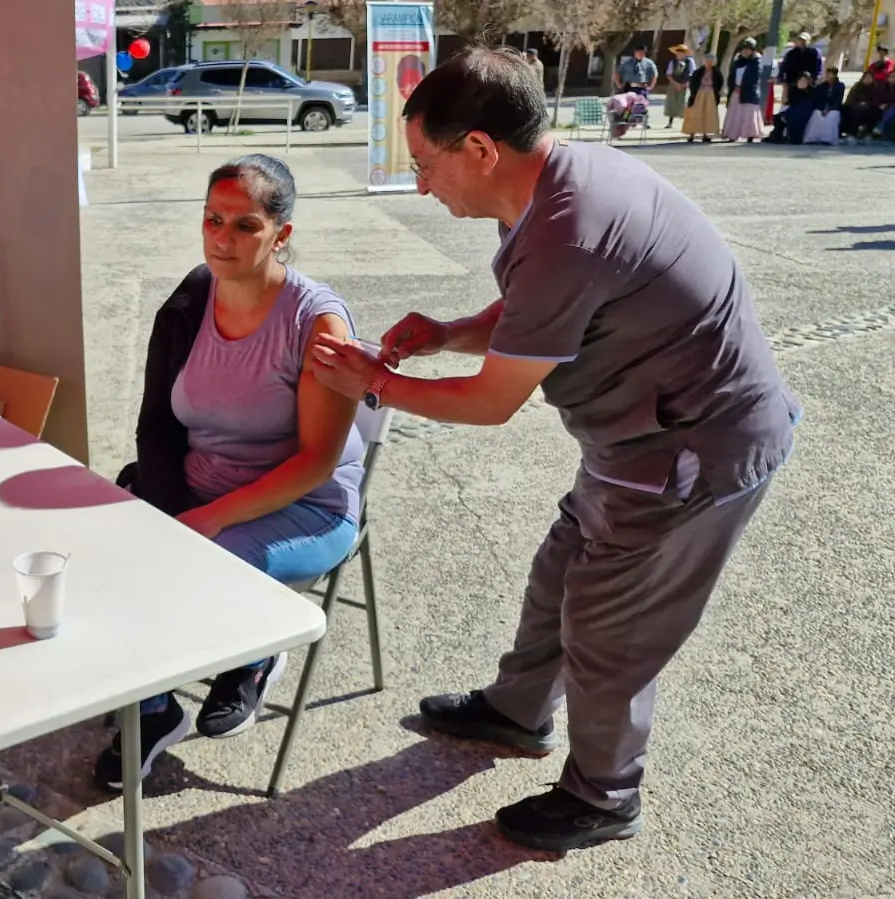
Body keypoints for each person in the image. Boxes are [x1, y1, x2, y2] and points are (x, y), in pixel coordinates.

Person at [311, 48, 798, 853]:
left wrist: (373, 383)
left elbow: (493, 401)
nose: (423, 185)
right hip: (637, 440)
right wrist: (450, 333)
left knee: (611, 629)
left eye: (428, 165)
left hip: (691, 451)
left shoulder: (572, 225)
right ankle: (517, 710)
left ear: (479, 149)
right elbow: (544, 305)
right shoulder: (558, 187)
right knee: (560, 573)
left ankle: (604, 795)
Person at [100, 154, 363, 788]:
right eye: (213, 220)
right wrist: (167, 509)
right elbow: (157, 422)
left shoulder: (315, 321)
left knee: (202, 569)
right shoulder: (191, 301)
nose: (223, 238)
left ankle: (253, 652)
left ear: (283, 233)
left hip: (306, 504)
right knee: (116, 545)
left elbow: (316, 461)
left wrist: (207, 520)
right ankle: (157, 708)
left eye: (245, 225)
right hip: (204, 491)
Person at [723, 38, 765, 142]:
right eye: (744, 49)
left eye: (749, 49)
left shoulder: (756, 62)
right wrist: (733, 87)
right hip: (736, 92)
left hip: (749, 92)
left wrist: (743, 87)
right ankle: (733, 135)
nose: (746, 52)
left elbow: (755, 77)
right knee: (734, 114)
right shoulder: (737, 62)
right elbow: (731, 77)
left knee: (749, 115)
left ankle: (750, 135)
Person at [682, 53, 723, 142]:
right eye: (707, 61)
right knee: (695, 113)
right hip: (699, 94)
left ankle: (705, 134)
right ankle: (691, 134)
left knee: (708, 114)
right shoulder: (698, 72)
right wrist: (693, 94)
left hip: (710, 95)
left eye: (711, 61)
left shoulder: (716, 72)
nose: (709, 63)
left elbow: (719, 83)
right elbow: (693, 83)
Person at [766, 74, 814, 144]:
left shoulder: (810, 92)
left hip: (801, 114)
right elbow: (789, 102)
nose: (802, 83)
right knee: (777, 117)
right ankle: (776, 138)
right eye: (800, 80)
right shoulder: (793, 89)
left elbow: (806, 106)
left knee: (790, 119)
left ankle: (792, 138)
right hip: (792, 111)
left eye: (804, 81)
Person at [801, 67, 844, 145]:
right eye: (827, 74)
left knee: (832, 116)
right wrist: (822, 108)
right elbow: (818, 99)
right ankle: (812, 138)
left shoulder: (840, 86)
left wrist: (829, 109)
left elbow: (838, 100)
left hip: (833, 108)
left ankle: (828, 139)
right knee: (816, 114)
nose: (827, 76)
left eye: (830, 75)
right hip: (821, 107)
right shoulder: (821, 86)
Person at [663, 44, 694, 127]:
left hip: (685, 84)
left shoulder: (690, 62)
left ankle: (685, 123)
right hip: (673, 84)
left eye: (681, 52)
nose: (678, 54)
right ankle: (670, 122)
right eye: (677, 52)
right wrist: (676, 84)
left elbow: (692, 74)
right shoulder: (672, 62)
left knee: (684, 103)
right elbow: (669, 74)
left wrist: (686, 83)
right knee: (671, 103)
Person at [843, 70, 878, 142]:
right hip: (855, 107)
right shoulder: (857, 86)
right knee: (855, 111)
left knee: (874, 112)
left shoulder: (875, 87)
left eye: (870, 77)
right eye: (866, 77)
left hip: (869, 107)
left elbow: (876, 100)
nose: (867, 79)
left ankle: (867, 133)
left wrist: (866, 104)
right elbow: (850, 99)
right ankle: (852, 134)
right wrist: (859, 104)